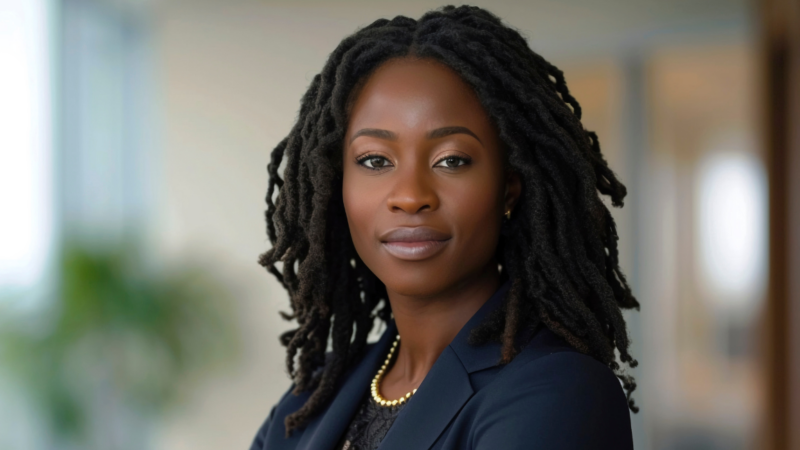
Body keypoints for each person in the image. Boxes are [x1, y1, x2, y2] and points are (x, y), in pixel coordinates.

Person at [250, 5, 639, 450]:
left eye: (451, 160)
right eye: (375, 161)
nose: (411, 195)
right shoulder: (309, 399)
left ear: (509, 189)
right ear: (335, 186)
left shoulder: (558, 391)